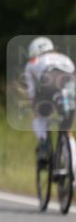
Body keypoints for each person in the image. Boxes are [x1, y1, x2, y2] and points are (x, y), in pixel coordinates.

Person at [24, 37, 75, 167]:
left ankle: (44, 146)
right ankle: (74, 175)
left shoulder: (33, 62)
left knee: (39, 116)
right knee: (67, 131)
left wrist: (34, 105)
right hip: (71, 87)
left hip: (50, 86)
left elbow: (32, 92)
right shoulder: (65, 58)